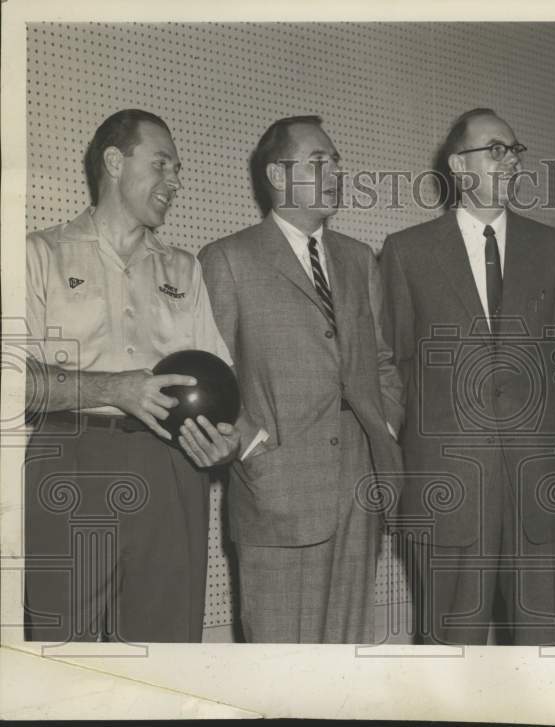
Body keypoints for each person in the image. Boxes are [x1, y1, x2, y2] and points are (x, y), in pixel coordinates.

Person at [23, 108, 241, 643]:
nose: (176, 182)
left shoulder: (184, 270)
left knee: (165, 647)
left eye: (178, 169)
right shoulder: (39, 254)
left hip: (172, 467)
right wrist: (116, 389)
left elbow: (222, 387)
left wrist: (223, 444)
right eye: (162, 164)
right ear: (115, 162)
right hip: (71, 458)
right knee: (61, 646)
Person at [381, 108, 555, 645]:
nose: (509, 161)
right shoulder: (407, 254)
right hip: (449, 485)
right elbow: (395, 366)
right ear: (457, 165)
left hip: (537, 479)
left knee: (539, 647)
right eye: (494, 149)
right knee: (453, 652)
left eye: (514, 150)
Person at [198, 116, 404, 644]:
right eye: (319, 161)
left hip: (361, 485)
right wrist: (252, 449)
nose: (335, 170)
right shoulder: (228, 259)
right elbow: (211, 373)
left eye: (336, 161)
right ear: (277, 174)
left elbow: (382, 362)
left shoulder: (359, 259)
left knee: (348, 653)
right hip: (276, 488)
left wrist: (386, 428)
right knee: (280, 661)